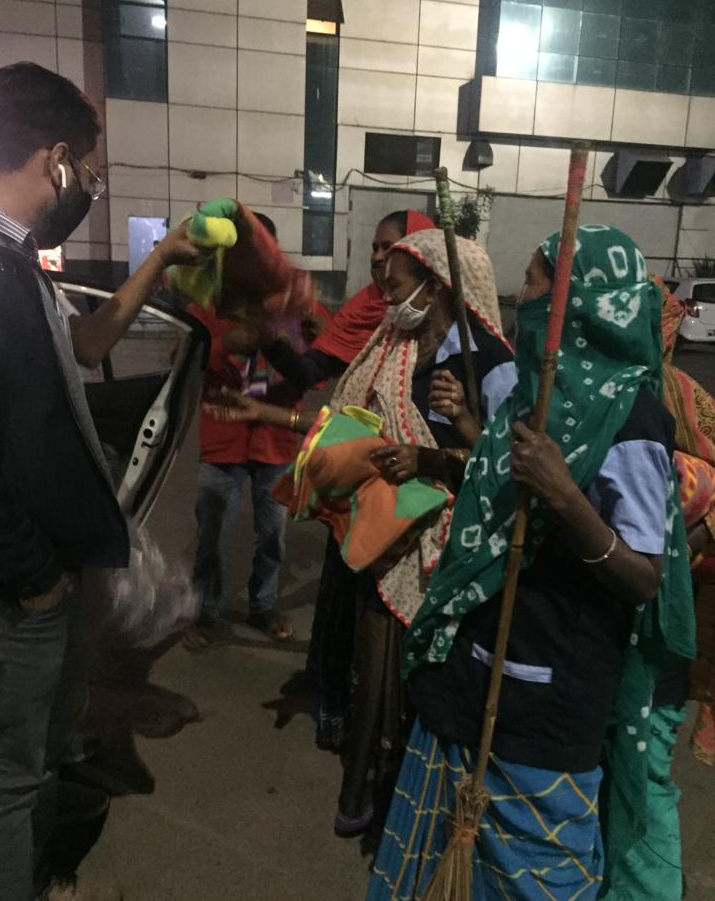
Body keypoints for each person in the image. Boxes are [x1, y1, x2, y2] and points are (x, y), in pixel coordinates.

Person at [341, 226, 694, 901]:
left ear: (577, 302)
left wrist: (565, 496)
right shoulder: (534, 394)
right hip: (473, 671)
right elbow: (494, 486)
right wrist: (462, 444)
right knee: (449, 876)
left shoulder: (629, 418)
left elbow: (642, 576)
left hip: (549, 695)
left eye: (534, 283)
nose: (521, 296)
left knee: (533, 896)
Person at [0, 63, 201, 901]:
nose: (88, 188)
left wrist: (158, 263)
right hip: (4, 588)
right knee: (5, 773)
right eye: (89, 172)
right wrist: (30, 575)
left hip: (41, 580)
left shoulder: (11, 258)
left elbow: (87, 348)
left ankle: (24, 897)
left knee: (33, 758)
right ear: (56, 158)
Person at [209, 227, 513, 836]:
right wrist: (268, 411)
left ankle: (410, 796)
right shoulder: (393, 345)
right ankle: (373, 786)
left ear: (437, 287)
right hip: (379, 537)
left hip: (448, 552)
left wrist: (441, 449)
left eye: (396, 284)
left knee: (421, 677)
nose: (385, 294)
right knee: (373, 669)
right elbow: (348, 427)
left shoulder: (487, 363)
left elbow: (506, 469)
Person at [592, 283, 715, 901]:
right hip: (598, 617)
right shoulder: (589, 394)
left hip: (661, 629)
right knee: (601, 760)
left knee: (643, 765)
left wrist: (680, 543)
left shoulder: (683, 401)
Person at [262, 208, 436, 751]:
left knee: (388, 622)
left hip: (413, 498)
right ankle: (338, 712)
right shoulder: (370, 307)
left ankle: (382, 726)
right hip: (358, 488)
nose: (379, 259)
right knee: (342, 607)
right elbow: (315, 373)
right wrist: (270, 337)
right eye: (376, 248)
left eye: (391, 249)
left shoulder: (449, 337)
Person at [186, 211, 325, 647]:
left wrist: (289, 338)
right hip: (222, 440)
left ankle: (263, 606)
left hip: (276, 442)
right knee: (211, 537)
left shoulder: (297, 303)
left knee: (273, 538)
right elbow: (182, 363)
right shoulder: (207, 304)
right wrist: (223, 345)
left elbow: (318, 371)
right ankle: (206, 612)